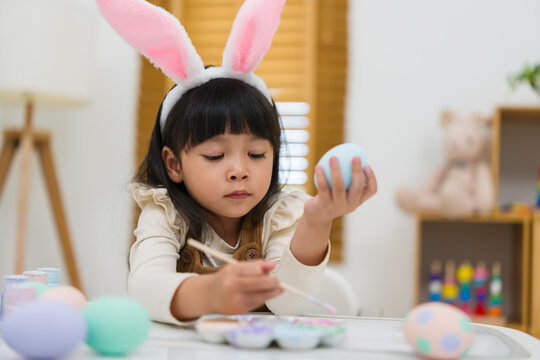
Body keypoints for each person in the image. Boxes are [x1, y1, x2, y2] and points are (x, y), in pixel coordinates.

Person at [97, 0, 377, 325]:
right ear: (173, 164)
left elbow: (286, 302)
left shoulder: (279, 214)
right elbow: (145, 288)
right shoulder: (165, 214)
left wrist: (317, 220)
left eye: (257, 154)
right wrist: (210, 292)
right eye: (216, 155)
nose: (239, 171)